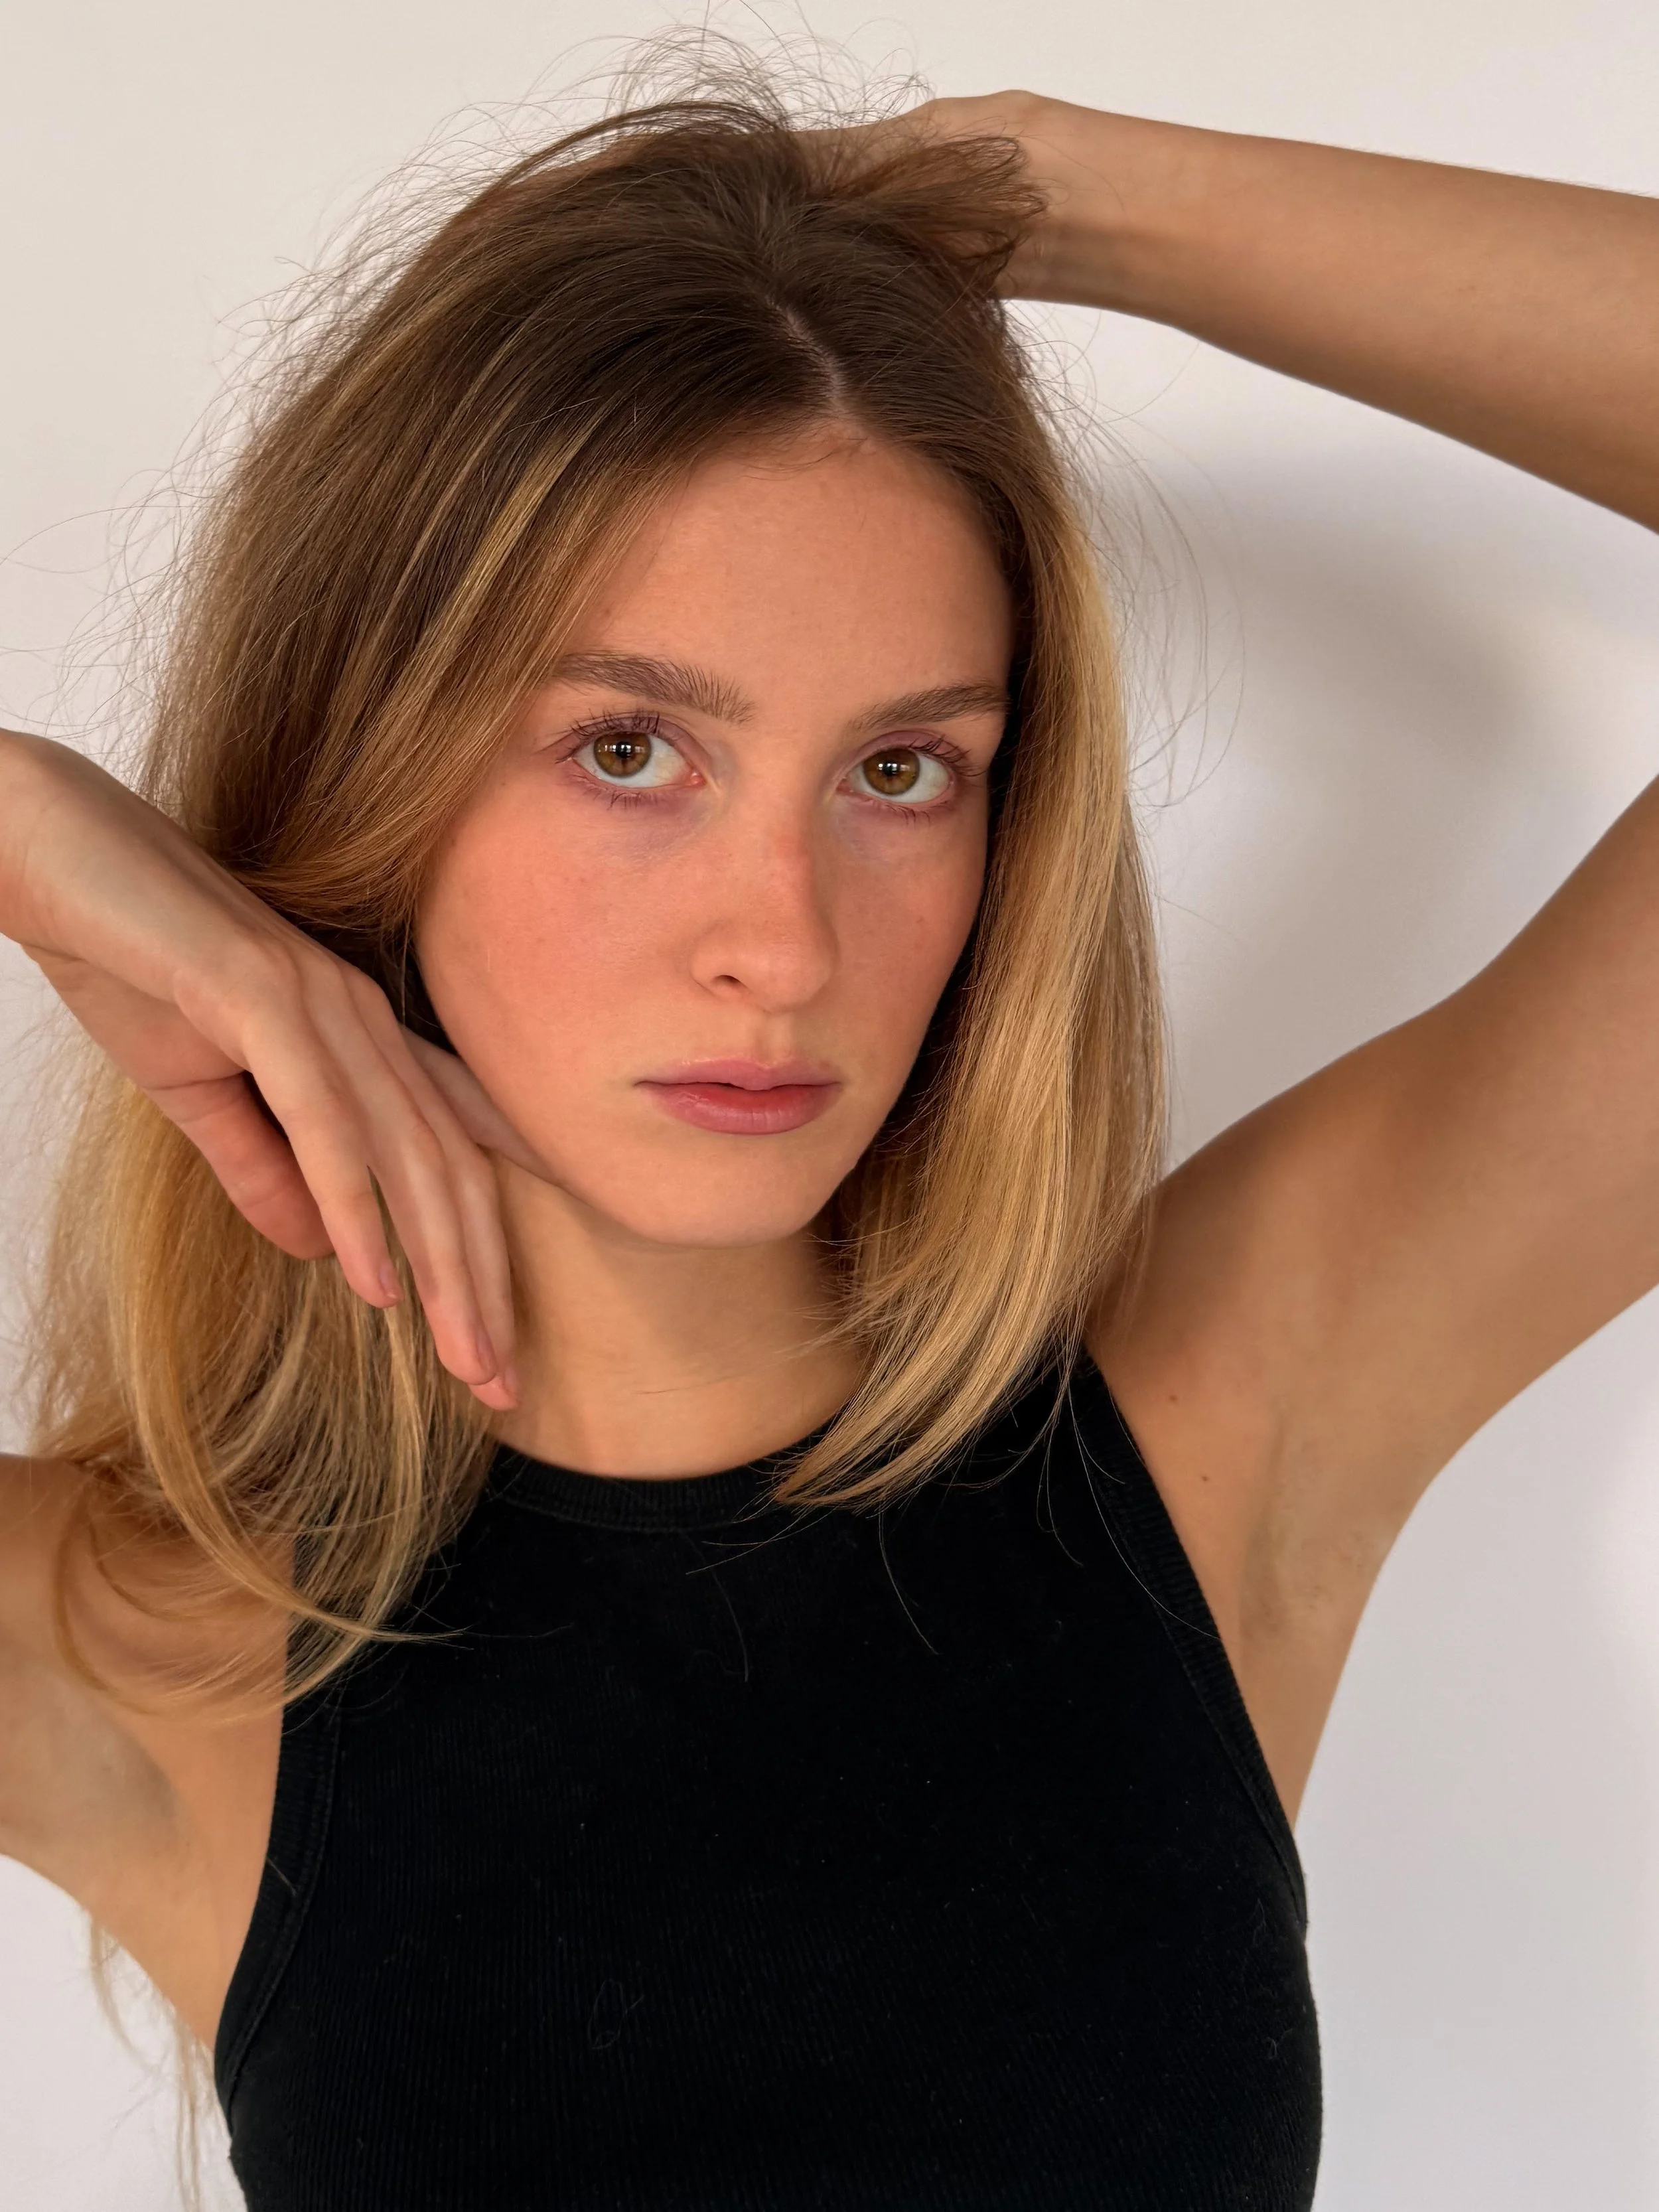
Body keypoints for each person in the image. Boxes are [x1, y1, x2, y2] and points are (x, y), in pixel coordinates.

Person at [1, 55, 1656, 2212]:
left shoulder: (1217, 1432)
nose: (778, 943)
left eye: (899, 772)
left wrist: (1054, 196)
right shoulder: (135, 1639)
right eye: (628, 749)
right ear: (367, 760)